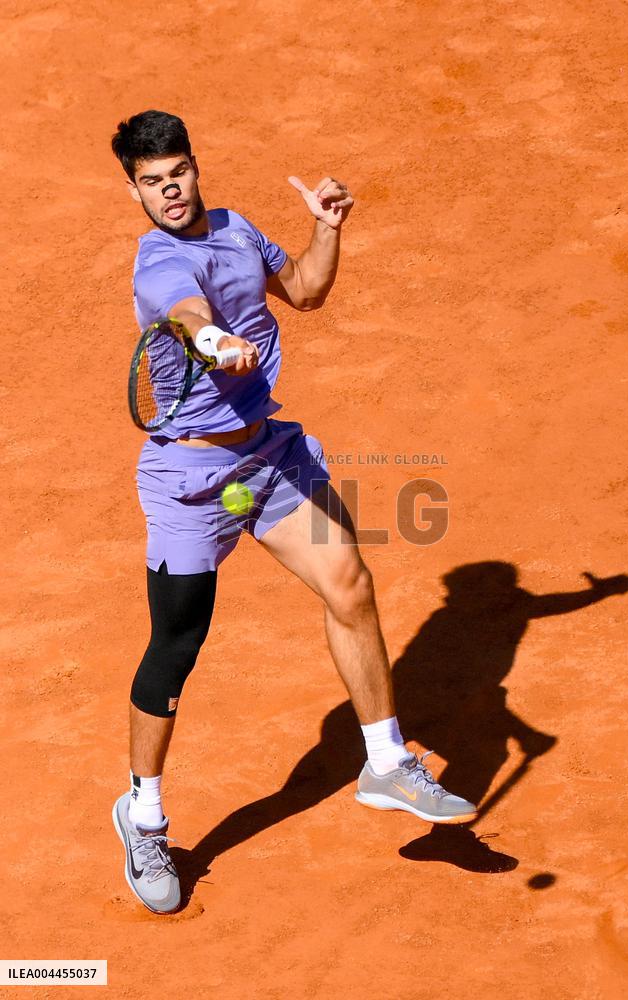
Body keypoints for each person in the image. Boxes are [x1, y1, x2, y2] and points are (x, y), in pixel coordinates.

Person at [109, 110, 477, 915]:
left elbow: (305, 291)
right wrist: (216, 347)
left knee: (349, 581)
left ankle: (384, 761)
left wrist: (326, 228)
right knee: (177, 645)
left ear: (195, 168)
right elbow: (187, 316)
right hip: (193, 482)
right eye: (150, 182)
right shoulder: (158, 263)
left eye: (178, 174)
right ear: (133, 189)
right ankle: (143, 816)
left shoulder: (238, 229)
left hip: (263, 466)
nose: (169, 193)